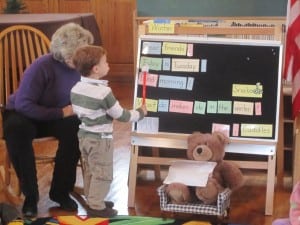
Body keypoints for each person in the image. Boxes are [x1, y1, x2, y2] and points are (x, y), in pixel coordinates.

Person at [2, 22, 94, 218]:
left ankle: (60, 191)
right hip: (23, 113)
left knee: (77, 128)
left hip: (55, 113)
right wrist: (60, 113)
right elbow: (23, 105)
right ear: (62, 53)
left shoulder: (81, 67)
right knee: (16, 130)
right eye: (73, 55)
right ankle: (31, 195)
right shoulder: (41, 66)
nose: (77, 60)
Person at [70, 45, 147, 217]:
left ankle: (92, 199)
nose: (108, 64)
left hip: (84, 136)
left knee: (90, 170)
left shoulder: (75, 88)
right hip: (100, 139)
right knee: (103, 173)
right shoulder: (104, 92)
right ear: (96, 69)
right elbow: (121, 115)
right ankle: (96, 207)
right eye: (105, 62)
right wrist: (140, 113)